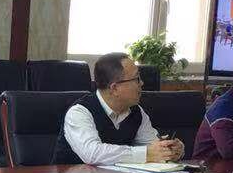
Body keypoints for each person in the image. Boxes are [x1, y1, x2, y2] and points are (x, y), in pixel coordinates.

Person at [54, 53, 185, 166]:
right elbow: (92, 154)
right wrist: (145, 154)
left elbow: (154, 146)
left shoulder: (136, 112)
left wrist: (170, 150)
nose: (142, 83)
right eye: (136, 79)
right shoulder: (79, 112)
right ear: (114, 88)